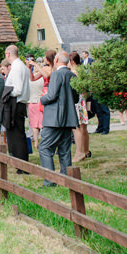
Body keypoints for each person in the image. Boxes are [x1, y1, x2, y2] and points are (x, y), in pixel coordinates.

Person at [38, 51, 78, 187]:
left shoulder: (56, 74)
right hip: (68, 117)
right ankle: (67, 179)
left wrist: (42, 99)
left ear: (56, 60)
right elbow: (76, 98)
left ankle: (50, 180)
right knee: (65, 149)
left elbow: (52, 95)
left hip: (54, 117)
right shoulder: (72, 75)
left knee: (44, 148)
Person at [1, 45, 31, 172]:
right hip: (18, 103)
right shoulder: (20, 66)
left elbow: (17, 89)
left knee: (17, 134)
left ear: (8, 54)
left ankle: (22, 165)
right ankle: (20, 162)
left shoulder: (17, 67)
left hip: (16, 103)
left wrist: (6, 92)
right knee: (16, 134)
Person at [68, 51, 91, 162]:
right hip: (83, 100)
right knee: (84, 128)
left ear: (72, 61)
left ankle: (80, 152)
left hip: (76, 101)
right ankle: (86, 150)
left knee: (78, 127)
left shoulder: (73, 73)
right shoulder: (83, 71)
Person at [27, 58, 45, 149]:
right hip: (41, 101)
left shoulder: (30, 78)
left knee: (34, 124)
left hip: (31, 102)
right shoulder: (42, 78)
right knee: (42, 123)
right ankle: (43, 139)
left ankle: (36, 142)